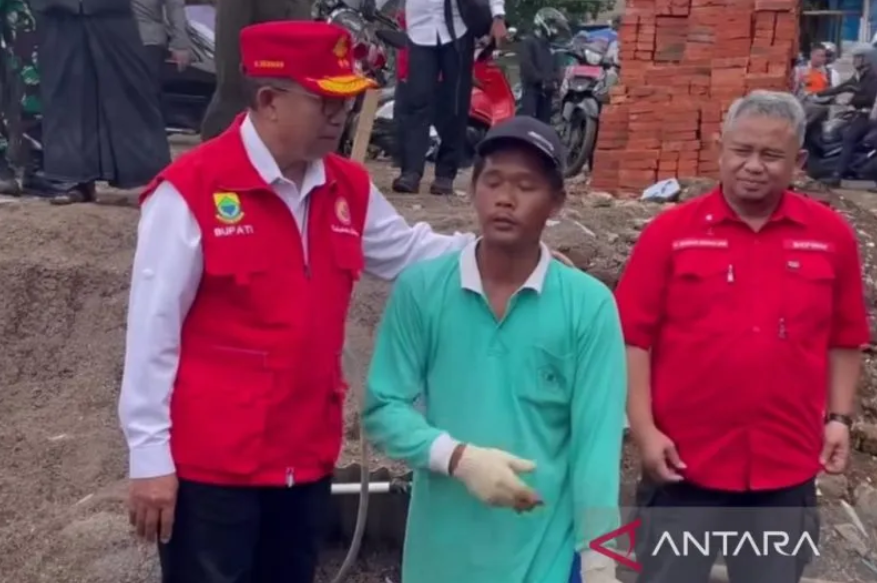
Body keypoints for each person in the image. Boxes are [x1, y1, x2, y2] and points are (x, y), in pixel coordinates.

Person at [118, 21, 488, 583]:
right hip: (215, 468)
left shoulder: (344, 187)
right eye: (325, 103)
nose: (340, 118)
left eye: (347, 102)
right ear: (268, 100)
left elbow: (413, 251)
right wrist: (150, 460)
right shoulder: (191, 192)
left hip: (304, 457)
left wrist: (498, 257)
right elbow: (152, 335)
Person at [615, 90, 869, 583]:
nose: (754, 166)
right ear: (719, 149)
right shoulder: (671, 234)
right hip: (683, 466)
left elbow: (844, 336)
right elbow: (632, 340)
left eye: (771, 155)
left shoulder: (830, 236)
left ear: (797, 160)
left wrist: (838, 418)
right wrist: (645, 433)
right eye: (742, 151)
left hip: (785, 468)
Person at [363, 116, 627, 583]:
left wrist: (598, 555)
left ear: (557, 203)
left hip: (543, 552)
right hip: (441, 553)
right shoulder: (423, 291)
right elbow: (384, 407)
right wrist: (457, 458)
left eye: (526, 185)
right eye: (493, 181)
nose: (506, 199)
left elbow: (596, 444)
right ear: (472, 190)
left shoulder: (588, 307)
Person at [31, 0, 171, 204]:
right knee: (67, 96)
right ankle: (74, 182)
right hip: (58, 12)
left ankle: (151, 177)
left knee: (131, 90)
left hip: (110, 12)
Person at [390, 0, 507, 195]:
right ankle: (410, 172)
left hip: (457, 28)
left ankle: (445, 174)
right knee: (416, 100)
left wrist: (498, 16)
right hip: (420, 28)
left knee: (455, 103)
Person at [815, 46, 877, 186]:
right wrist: (817, 95)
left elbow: (869, 98)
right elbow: (842, 87)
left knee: (849, 139)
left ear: (867, 59)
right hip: (857, 113)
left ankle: (837, 176)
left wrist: (850, 100)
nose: (854, 60)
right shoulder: (859, 75)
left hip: (867, 116)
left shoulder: (873, 76)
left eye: (858, 57)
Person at [518, 8, 567, 124]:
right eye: (552, 25)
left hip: (547, 91)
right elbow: (526, 66)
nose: (555, 30)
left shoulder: (550, 46)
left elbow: (556, 67)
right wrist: (541, 80)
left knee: (544, 124)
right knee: (529, 123)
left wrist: (555, 80)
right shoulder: (528, 41)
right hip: (532, 90)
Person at [132, 0, 192, 92]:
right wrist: (181, 43)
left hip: (146, 39)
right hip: (145, 37)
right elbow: (175, 7)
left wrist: (181, 43)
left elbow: (175, 6)